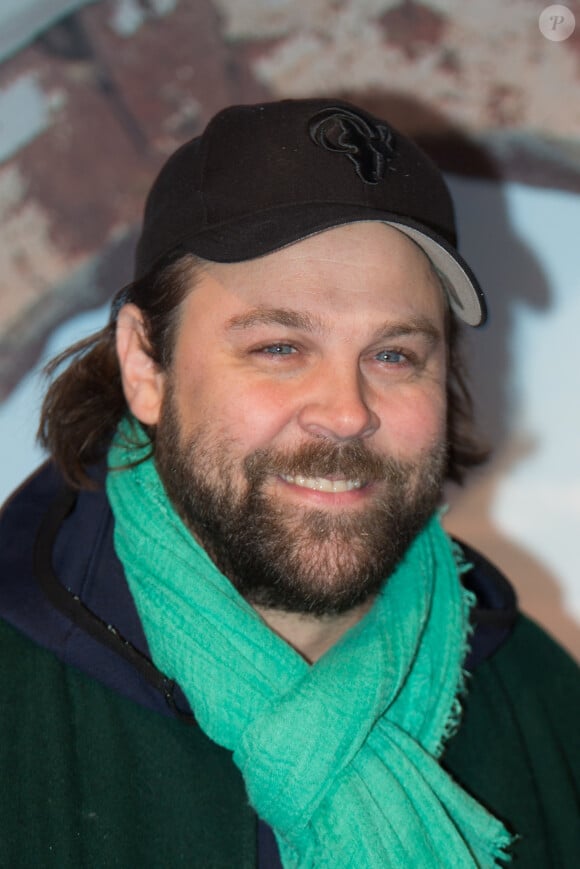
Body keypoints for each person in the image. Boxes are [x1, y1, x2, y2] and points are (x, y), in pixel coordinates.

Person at [0, 98, 578, 868]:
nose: (346, 412)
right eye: (279, 346)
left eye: (395, 354)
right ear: (145, 363)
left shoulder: (544, 699)